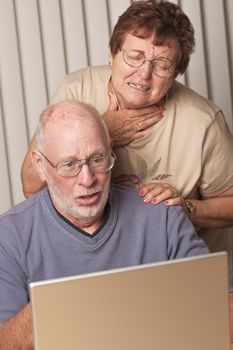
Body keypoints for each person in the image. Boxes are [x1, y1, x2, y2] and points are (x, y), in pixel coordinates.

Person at [21, 0, 233, 288]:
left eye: (162, 65)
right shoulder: (75, 92)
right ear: (112, 54)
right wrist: (102, 131)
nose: (144, 74)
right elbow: (31, 185)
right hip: (101, 271)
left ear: (177, 72)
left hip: (181, 275)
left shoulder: (203, 122)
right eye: (134, 56)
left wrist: (187, 208)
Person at [0, 100, 209, 349]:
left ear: (110, 151)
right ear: (40, 166)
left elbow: (217, 307)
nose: (88, 179)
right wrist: (51, 309)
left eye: (97, 160)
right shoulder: (9, 235)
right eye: (70, 165)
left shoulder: (162, 216)